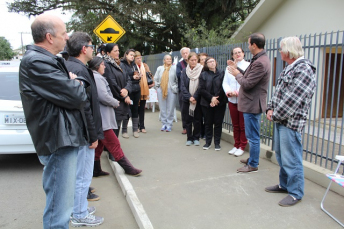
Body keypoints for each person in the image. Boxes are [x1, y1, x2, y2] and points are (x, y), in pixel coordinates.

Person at [19, 14, 88, 229]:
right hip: (58, 140)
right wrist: (74, 83)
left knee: (61, 205)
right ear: (49, 37)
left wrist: (72, 82)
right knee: (59, 210)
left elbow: (72, 92)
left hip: (61, 137)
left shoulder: (47, 60)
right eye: (64, 33)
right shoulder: (37, 61)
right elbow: (76, 96)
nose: (67, 37)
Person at [265, 37, 316, 207]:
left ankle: (295, 193)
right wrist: (269, 108)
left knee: (292, 158)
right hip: (281, 120)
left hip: (291, 123)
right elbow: (278, 92)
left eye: (281, 49)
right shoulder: (290, 68)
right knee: (281, 155)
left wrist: (275, 114)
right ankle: (284, 185)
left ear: (289, 51)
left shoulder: (304, 70)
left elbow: (293, 99)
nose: (279, 52)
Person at [65, 32, 104, 227]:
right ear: (83, 49)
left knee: (81, 174)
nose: (93, 49)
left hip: (82, 132)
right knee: (83, 175)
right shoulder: (77, 69)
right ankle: (79, 214)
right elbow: (84, 106)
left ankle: (78, 207)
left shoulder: (75, 66)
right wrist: (93, 135)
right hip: (84, 133)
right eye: (91, 46)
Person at [89, 57, 142, 176]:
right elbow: (103, 96)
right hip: (103, 118)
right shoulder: (97, 77)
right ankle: (128, 168)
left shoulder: (96, 76)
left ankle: (96, 170)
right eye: (102, 65)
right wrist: (115, 102)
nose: (104, 67)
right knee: (114, 143)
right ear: (97, 66)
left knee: (100, 145)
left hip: (101, 117)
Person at [228, 33, 271, 173]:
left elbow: (247, 83)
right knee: (252, 135)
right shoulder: (259, 59)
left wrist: (236, 74)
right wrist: (237, 69)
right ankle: (252, 159)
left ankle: (253, 164)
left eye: (248, 44)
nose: (247, 46)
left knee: (253, 137)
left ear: (254, 45)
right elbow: (248, 76)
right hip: (251, 103)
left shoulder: (260, 62)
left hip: (252, 105)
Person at [222, 47, 250, 157]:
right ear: (232, 56)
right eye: (235, 53)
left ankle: (242, 146)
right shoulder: (228, 68)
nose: (237, 54)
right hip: (232, 99)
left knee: (243, 125)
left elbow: (247, 82)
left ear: (243, 53)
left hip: (243, 100)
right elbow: (225, 82)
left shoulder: (248, 66)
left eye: (239, 52)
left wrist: (237, 92)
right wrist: (229, 92)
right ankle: (236, 144)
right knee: (235, 124)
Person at [103, 43, 132, 138]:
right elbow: (112, 83)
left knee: (117, 125)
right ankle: (112, 151)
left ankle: (113, 149)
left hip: (122, 99)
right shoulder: (106, 65)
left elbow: (128, 79)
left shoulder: (119, 64)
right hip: (115, 100)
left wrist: (126, 89)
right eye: (115, 51)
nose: (118, 53)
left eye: (118, 50)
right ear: (108, 53)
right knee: (113, 127)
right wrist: (124, 96)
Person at [199, 57, 227, 151]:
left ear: (216, 62)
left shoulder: (222, 73)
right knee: (208, 123)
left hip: (220, 102)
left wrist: (216, 99)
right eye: (209, 62)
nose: (211, 63)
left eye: (213, 61)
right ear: (206, 64)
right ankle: (208, 142)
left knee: (218, 123)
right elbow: (201, 89)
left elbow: (224, 87)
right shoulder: (203, 74)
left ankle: (217, 143)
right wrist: (211, 98)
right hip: (206, 103)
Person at [180, 52, 203, 146]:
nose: (193, 62)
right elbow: (182, 86)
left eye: (195, 60)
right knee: (188, 119)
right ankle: (189, 138)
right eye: (191, 60)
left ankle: (196, 137)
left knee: (197, 119)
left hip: (198, 99)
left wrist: (195, 97)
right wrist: (189, 97)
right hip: (187, 99)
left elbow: (201, 85)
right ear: (188, 61)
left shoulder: (201, 70)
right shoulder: (184, 71)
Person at [154, 54, 178, 132]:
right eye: (167, 59)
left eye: (170, 59)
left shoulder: (174, 68)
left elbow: (177, 79)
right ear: (164, 60)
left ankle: (169, 124)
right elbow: (156, 78)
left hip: (171, 90)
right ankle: (164, 124)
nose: (169, 60)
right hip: (161, 90)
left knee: (170, 108)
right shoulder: (160, 68)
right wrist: (157, 88)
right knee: (162, 108)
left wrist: (175, 88)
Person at [121, 49, 141, 138]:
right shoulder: (122, 64)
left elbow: (136, 75)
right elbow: (124, 77)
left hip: (136, 88)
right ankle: (124, 130)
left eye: (133, 55)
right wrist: (133, 77)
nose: (132, 57)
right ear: (126, 55)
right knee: (127, 110)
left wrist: (138, 77)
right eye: (131, 55)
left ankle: (135, 129)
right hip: (128, 89)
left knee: (135, 109)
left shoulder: (133, 65)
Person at [134, 51, 154, 133]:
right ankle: (136, 126)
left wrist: (150, 83)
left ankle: (142, 126)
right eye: (137, 58)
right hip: (135, 90)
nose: (139, 59)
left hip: (144, 90)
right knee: (135, 109)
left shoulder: (145, 65)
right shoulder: (133, 66)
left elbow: (150, 75)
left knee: (142, 109)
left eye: (140, 58)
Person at [176, 47, 190, 134]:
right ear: (181, 55)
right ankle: (185, 127)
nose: (185, 54)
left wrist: (183, 73)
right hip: (183, 89)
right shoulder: (179, 64)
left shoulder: (194, 62)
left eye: (187, 53)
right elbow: (178, 74)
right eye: (183, 53)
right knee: (184, 110)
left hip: (193, 89)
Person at [198, 52, 208, 139]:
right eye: (201, 60)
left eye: (205, 59)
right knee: (199, 116)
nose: (203, 61)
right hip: (199, 95)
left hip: (207, 96)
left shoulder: (210, 70)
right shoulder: (197, 70)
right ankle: (200, 131)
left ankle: (206, 132)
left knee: (207, 116)